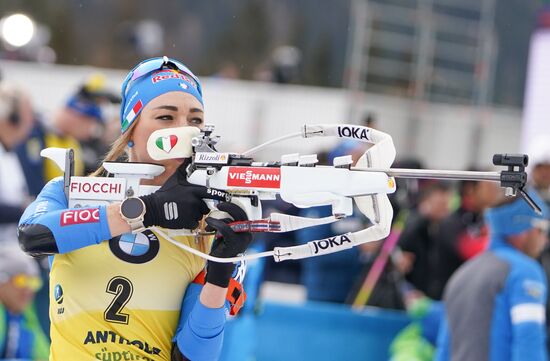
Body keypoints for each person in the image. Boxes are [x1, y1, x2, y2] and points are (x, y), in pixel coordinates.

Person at [18, 56, 252, 360]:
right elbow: (34, 236)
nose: (183, 131)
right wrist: (146, 210)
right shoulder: (73, 192)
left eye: (195, 120)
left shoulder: (208, 221)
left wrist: (220, 270)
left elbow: (193, 356)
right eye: (166, 118)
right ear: (131, 128)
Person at [435, 193, 549, 361]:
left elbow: (445, 346)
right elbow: (528, 339)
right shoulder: (524, 272)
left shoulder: (462, 274)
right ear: (522, 229)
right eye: (542, 229)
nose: (545, 240)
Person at [429, 177, 500, 299]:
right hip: (451, 297)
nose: (495, 192)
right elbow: (472, 251)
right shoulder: (452, 223)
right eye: (488, 187)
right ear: (470, 190)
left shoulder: (485, 219)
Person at [396, 181, 452, 298]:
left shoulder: (442, 229)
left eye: (447, 204)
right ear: (425, 204)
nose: (446, 209)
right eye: (441, 204)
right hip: (412, 293)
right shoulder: (413, 225)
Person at [0, 243, 49, 360]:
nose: (28, 289)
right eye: (22, 281)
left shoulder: (27, 317)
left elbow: (45, 357)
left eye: (33, 282)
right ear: (2, 281)